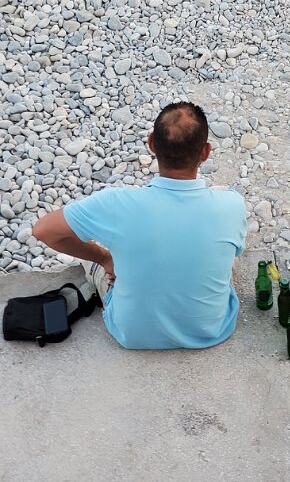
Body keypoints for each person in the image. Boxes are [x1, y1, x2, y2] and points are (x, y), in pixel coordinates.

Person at [32, 101, 247, 350]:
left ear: (151, 143)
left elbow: (43, 231)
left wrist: (103, 257)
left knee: (93, 258)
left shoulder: (115, 203)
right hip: (211, 330)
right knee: (228, 255)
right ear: (206, 152)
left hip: (132, 335)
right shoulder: (231, 205)